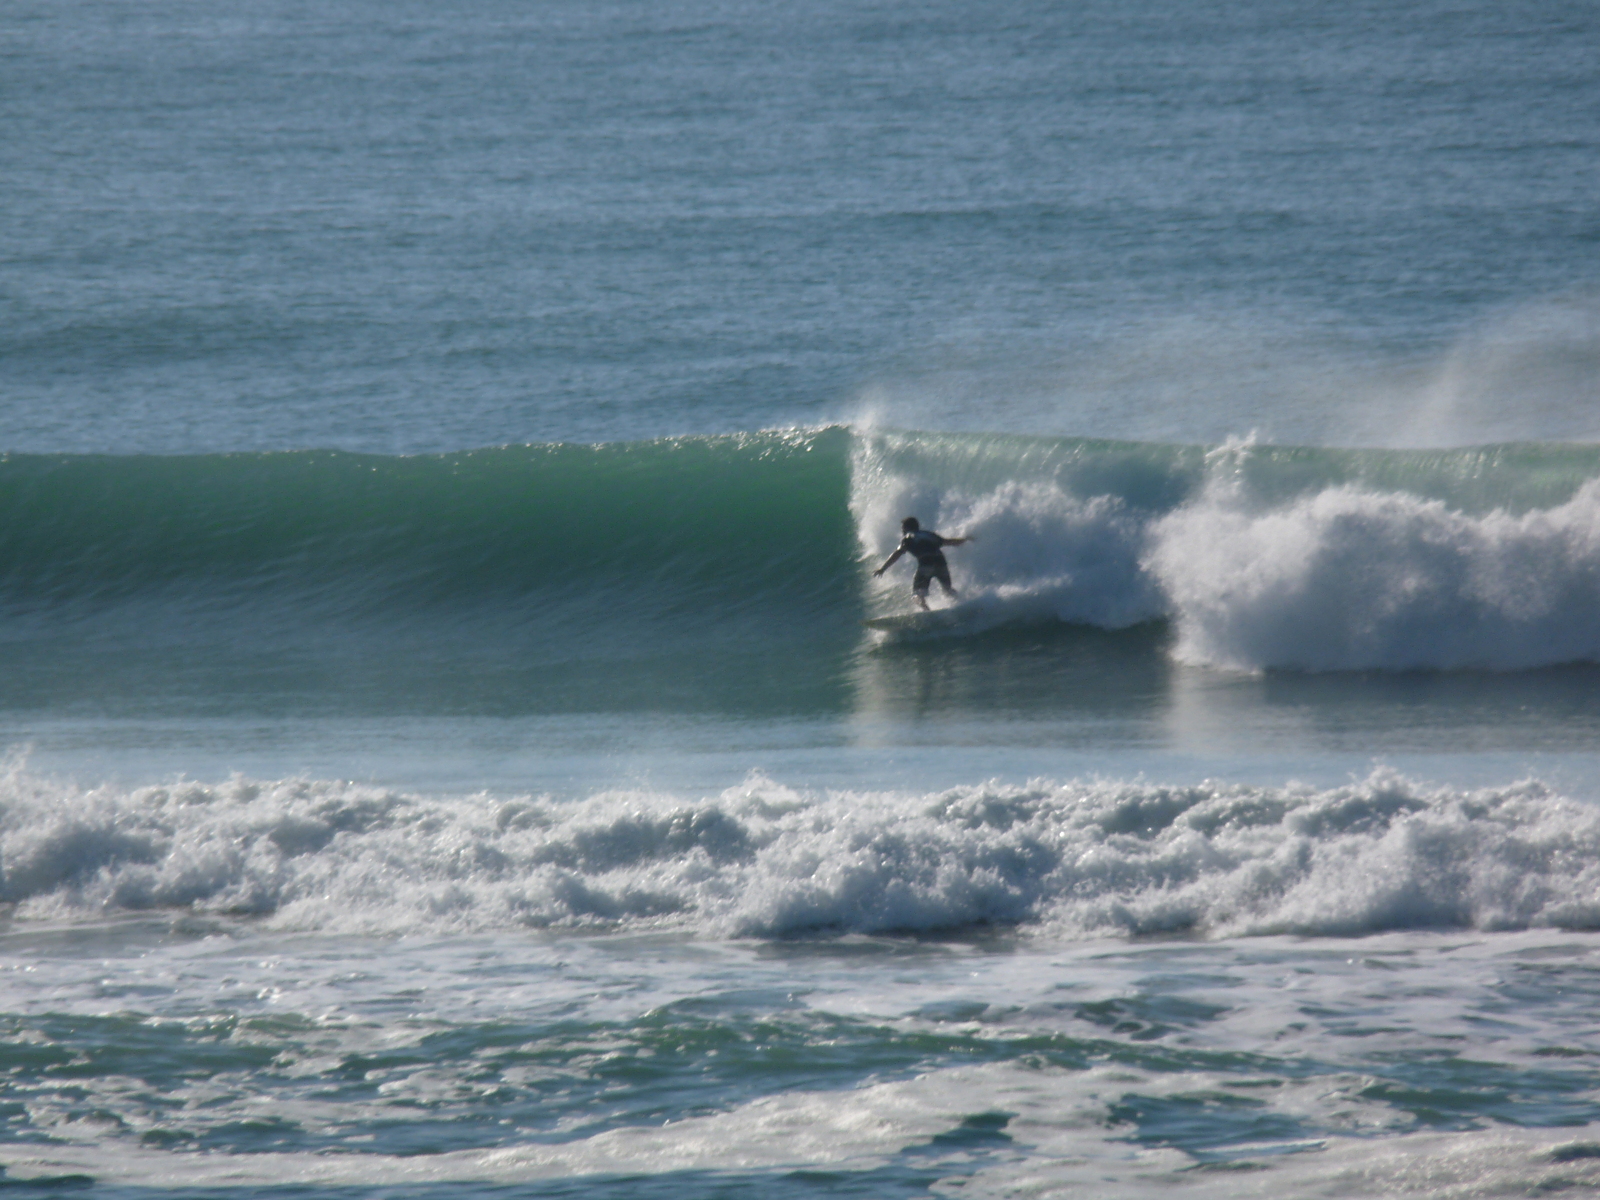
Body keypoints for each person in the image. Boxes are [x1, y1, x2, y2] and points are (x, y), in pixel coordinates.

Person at [873, 517, 969, 610]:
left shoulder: (908, 537)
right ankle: (965, 604)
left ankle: (927, 613)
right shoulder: (929, 535)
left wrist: (883, 569)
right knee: (948, 591)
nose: (902, 531)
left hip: (926, 565)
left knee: (917, 596)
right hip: (941, 563)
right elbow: (949, 542)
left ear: (906, 528)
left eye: (902, 528)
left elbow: (897, 553)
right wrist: (966, 540)